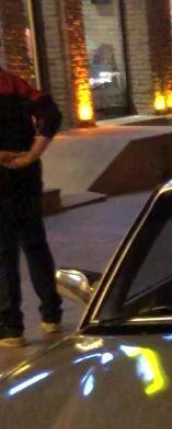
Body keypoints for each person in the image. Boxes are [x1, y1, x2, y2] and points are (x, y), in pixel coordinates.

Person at [0, 66, 64, 348]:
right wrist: (33, 154)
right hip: (26, 175)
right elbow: (51, 113)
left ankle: (11, 328)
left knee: (4, 252)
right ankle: (52, 315)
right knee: (35, 243)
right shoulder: (14, 84)